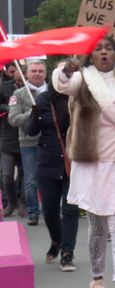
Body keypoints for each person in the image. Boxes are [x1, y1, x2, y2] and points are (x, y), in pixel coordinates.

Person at [52, 37, 115, 288]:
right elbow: (61, 84)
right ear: (91, 55)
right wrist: (66, 69)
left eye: (108, 49)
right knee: (96, 226)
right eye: (98, 49)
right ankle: (97, 276)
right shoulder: (81, 79)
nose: (104, 53)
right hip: (89, 163)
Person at [26, 76, 79, 271]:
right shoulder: (42, 99)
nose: (64, 82)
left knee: (71, 209)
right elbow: (31, 131)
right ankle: (56, 240)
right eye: (61, 77)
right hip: (47, 162)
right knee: (49, 210)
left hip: (73, 161)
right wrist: (35, 116)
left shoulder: (78, 98)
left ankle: (67, 253)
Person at [8, 59, 47, 225]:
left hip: (49, 142)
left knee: (51, 180)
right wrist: (31, 113)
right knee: (31, 180)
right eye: (34, 71)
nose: (37, 74)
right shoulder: (18, 95)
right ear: (27, 74)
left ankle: (50, 211)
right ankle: (33, 212)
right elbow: (13, 119)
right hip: (28, 142)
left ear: (45, 74)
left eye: (40, 71)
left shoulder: (52, 92)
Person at [0, 65, 24, 218]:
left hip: (25, 136)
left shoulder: (30, 88)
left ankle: (23, 202)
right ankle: (11, 202)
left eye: (18, 70)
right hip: (7, 136)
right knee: (7, 174)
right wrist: (9, 108)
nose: (16, 73)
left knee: (24, 173)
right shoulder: (4, 87)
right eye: (13, 71)